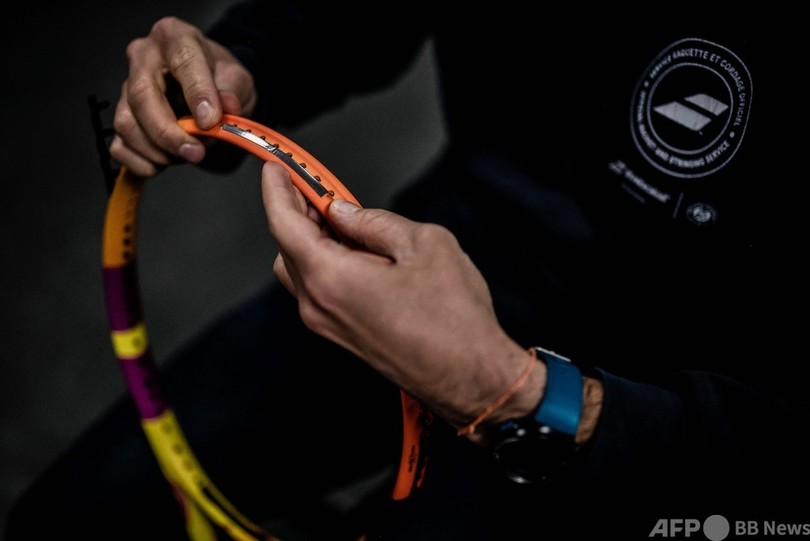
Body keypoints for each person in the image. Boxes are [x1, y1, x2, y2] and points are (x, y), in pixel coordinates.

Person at [8, 3, 809, 539]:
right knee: (69, 520)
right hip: (430, 256)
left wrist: (516, 393)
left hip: (676, 408)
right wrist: (237, 62)